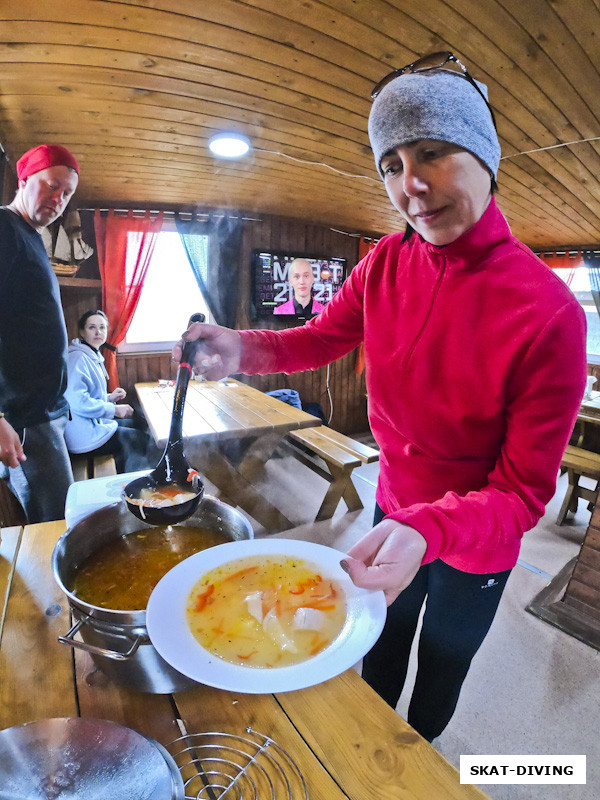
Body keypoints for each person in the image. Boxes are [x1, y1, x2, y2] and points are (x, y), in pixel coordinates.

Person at [173, 52, 587, 741]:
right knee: (378, 645)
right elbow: (316, 338)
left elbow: (521, 496)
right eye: (391, 164)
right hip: (393, 509)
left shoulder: (548, 312)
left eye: (433, 152)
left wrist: (435, 529)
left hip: (474, 546)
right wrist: (239, 347)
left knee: (440, 672)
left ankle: (411, 763)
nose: (412, 186)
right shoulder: (385, 263)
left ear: (485, 155)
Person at [0, 144, 80, 523]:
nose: (58, 200)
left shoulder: (29, 236)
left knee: (53, 520)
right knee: (53, 527)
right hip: (23, 417)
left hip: (44, 413)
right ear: (23, 179)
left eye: (66, 194)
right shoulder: (4, 228)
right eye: (51, 186)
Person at [64, 310, 160, 474]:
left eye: (102, 328)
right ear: (81, 331)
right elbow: (76, 401)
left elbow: (88, 396)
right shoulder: (78, 359)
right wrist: (114, 409)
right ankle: (135, 481)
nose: (98, 332)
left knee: (141, 425)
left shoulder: (91, 355)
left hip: (93, 426)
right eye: (91, 327)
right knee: (139, 439)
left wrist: (109, 397)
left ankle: (135, 473)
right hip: (84, 437)